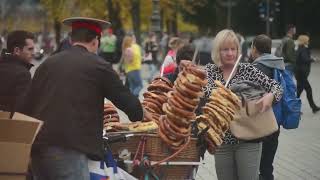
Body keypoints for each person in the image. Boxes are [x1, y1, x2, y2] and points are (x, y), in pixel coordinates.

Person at [22, 17, 145, 180]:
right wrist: (142, 115)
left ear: (72, 39)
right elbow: (124, 98)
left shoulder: (47, 63)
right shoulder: (98, 65)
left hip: (37, 150)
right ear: (96, 41)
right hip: (68, 150)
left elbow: (26, 105)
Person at [202, 29, 283, 180]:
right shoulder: (209, 71)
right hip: (221, 141)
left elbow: (277, 87)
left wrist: (270, 96)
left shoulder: (248, 69)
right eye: (225, 49)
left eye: (233, 49)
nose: (230, 53)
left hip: (249, 138)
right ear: (217, 51)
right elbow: (198, 89)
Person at [250, 34, 285, 180]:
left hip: (261, 123)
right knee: (267, 166)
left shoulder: (257, 68)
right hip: (275, 121)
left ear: (255, 48)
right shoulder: (278, 64)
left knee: (257, 166)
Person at [0, 30, 35, 112]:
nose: (33, 53)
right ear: (17, 51)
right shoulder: (22, 75)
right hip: (10, 123)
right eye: (30, 49)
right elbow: (22, 110)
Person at [295, 35, 320, 113]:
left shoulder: (299, 48)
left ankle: (313, 107)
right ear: (305, 41)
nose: (308, 41)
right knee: (305, 90)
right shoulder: (304, 49)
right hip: (302, 74)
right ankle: (294, 109)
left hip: (299, 73)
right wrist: (313, 59)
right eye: (307, 40)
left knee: (302, 91)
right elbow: (305, 59)